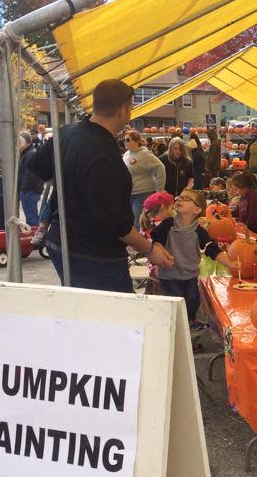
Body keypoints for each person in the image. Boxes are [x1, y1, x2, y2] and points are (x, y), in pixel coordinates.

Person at [27, 78, 173, 290]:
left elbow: (36, 164)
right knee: (111, 318)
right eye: (131, 108)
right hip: (93, 254)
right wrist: (150, 250)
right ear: (123, 110)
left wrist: (68, 185)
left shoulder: (67, 132)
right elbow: (115, 223)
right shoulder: (105, 155)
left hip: (61, 241)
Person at [151, 189, 220, 331]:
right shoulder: (168, 224)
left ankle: (190, 320)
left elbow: (211, 249)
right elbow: (156, 238)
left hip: (190, 274)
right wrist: (159, 248)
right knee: (176, 300)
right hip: (169, 275)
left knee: (192, 299)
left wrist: (230, 263)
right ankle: (176, 326)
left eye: (186, 198)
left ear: (197, 210)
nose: (180, 199)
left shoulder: (198, 231)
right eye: (180, 197)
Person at [123, 129, 166, 230]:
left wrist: (159, 190)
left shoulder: (145, 154)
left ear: (137, 141)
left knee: (138, 222)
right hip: (130, 193)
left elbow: (160, 167)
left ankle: (141, 244)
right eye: (124, 140)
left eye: (128, 140)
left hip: (143, 193)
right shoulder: (126, 154)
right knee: (131, 221)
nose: (125, 142)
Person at [17, 131, 42, 228]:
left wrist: (23, 189)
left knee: (31, 218)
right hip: (30, 190)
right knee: (31, 216)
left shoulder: (30, 154)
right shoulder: (28, 153)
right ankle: (34, 236)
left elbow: (30, 175)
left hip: (30, 191)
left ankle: (35, 239)